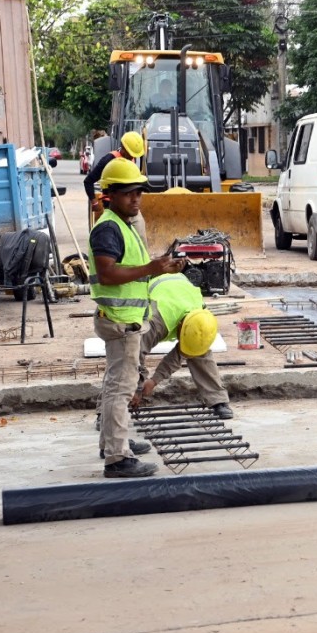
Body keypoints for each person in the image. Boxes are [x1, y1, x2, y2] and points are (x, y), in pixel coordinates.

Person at [90, 158, 185, 478]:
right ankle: (117, 458)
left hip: (123, 318)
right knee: (121, 387)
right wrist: (150, 268)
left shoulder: (124, 226)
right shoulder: (108, 228)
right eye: (128, 193)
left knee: (114, 383)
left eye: (139, 193)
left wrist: (163, 268)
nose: (136, 199)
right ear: (110, 195)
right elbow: (107, 274)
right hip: (120, 321)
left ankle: (111, 442)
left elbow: (133, 272)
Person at [134, 272, 233, 420]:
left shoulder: (200, 318)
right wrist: (138, 387)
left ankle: (218, 400)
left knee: (199, 348)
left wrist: (154, 381)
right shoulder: (154, 323)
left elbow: (183, 352)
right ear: (181, 326)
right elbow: (134, 356)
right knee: (124, 355)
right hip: (150, 288)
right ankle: (105, 412)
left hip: (179, 290)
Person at [85, 131, 148, 239]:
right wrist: (94, 201)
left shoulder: (131, 161)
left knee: (139, 232)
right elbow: (88, 181)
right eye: (131, 153)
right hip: (112, 206)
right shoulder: (108, 160)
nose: (133, 157)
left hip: (127, 206)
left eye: (135, 155)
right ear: (123, 148)